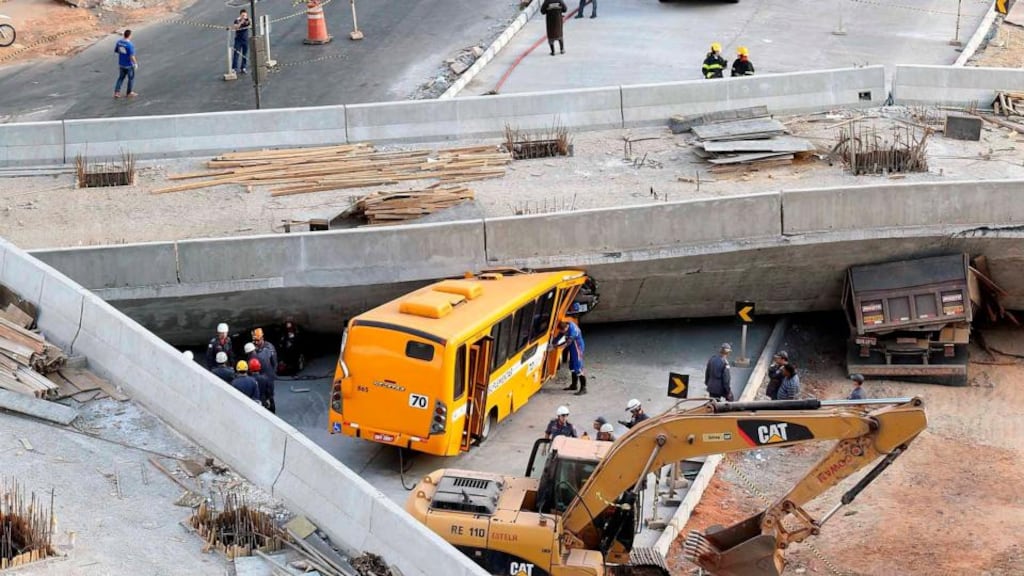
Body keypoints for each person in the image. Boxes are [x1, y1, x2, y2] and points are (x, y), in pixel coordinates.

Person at [252, 328, 278, 412]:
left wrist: (272, 375)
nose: (256, 342)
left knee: (270, 397)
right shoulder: (254, 348)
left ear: (262, 338)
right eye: (254, 340)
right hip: (259, 376)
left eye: (257, 340)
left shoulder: (269, 348)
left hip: (268, 376)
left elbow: (274, 362)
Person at [558, 320, 587, 395]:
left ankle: (584, 388)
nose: (563, 333)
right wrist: (553, 343)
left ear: (566, 328)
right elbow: (559, 336)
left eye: (564, 331)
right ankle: (574, 385)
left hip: (578, 348)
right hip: (573, 348)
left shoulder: (572, 331)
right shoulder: (567, 325)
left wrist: (555, 347)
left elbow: (566, 343)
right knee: (572, 367)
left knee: (578, 368)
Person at [113, 29, 138, 99]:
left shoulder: (119, 42)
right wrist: (135, 63)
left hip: (121, 64)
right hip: (129, 65)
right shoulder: (130, 45)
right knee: (131, 78)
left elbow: (116, 50)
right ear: (129, 36)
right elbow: (131, 56)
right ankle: (129, 93)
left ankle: (117, 92)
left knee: (120, 78)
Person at [231, 9, 251, 75]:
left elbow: (250, 25)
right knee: (236, 54)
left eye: (245, 15)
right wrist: (241, 22)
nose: (244, 17)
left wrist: (249, 20)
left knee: (244, 54)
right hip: (238, 40)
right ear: (240, 15)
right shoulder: (237, 20)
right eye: (243, 15)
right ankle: (234, 68)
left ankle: (243, 67)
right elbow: (236, 27)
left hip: (245, 40)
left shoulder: (247, 20)